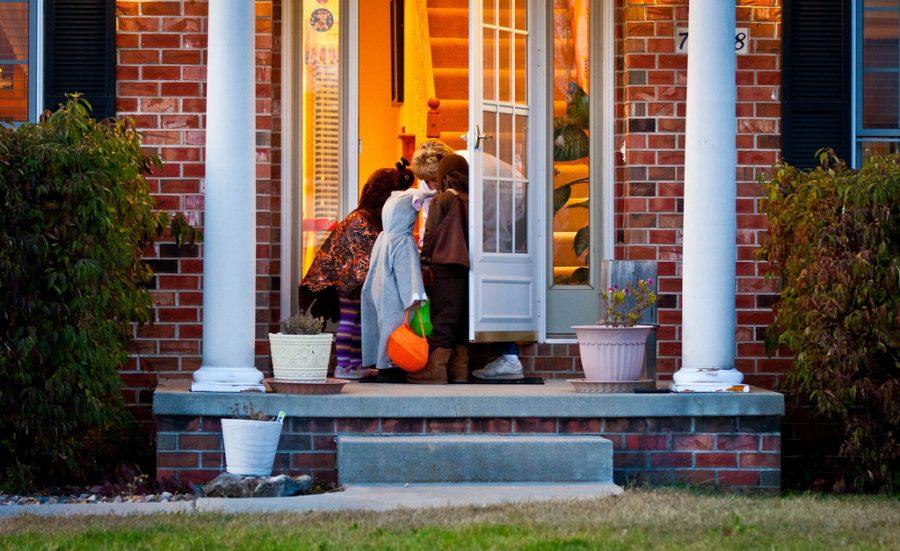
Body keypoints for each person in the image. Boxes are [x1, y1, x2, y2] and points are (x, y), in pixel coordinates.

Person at [301, 161, 416, 379]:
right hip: (349, 283)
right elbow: (360, 257)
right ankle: (344, 366)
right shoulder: (361, 221)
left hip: (355, 281)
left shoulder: (368, 219)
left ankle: (354, 365)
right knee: (349, 321)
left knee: (357, 323)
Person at [360, 187, 437, 370]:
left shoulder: (383, 237)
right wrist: (415, 296)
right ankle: (390, 363)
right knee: (395, 331)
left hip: (378, 293)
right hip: (396, 297)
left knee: (380, 328)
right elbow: (407, 272)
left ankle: (377, 361)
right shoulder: (403, 240)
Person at [415, 154, 471, 384]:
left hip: (446, 265)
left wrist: (424, 259)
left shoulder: (443, 200)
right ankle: (460, 371)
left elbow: (431, 233)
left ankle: (436, 370)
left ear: (444, 177)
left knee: (444, 316)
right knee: (461, 318)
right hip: (470, 267)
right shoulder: (473, 200)